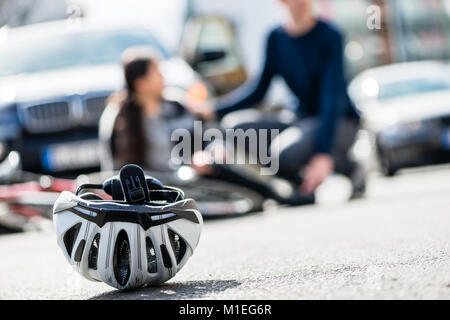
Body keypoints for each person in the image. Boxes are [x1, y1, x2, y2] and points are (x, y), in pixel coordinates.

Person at [192, 0, 365, 199]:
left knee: (283, 154)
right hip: (300, 118)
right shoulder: (276, 38)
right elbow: (259, 90)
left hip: (340, 121)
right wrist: (215, 110)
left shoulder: (330, 35)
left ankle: (349, 167)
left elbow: (331, 98)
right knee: (236, 128)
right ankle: (300, 186)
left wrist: (322, 154)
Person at [99, 47, 310, 206]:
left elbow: (208, 132)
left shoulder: (175, 105)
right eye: (156, 72)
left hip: (188, 174)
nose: (163, 76)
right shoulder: (119, 119)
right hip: (152, 186)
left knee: (219, 160)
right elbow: (117, 169)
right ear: (141, 82)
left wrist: (208, 151)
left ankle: (275, 192)